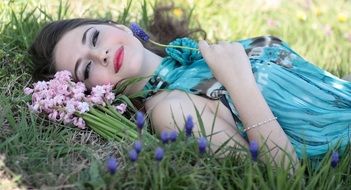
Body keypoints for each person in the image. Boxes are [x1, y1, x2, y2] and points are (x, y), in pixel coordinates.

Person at [28, 7, 351, 172]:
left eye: (95, 38)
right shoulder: (169, 109)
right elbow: (284, 174)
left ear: (118, 27)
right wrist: (239, 83)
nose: (100, 54)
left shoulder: (192, 56)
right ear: (96, 95)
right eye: (87, 69)